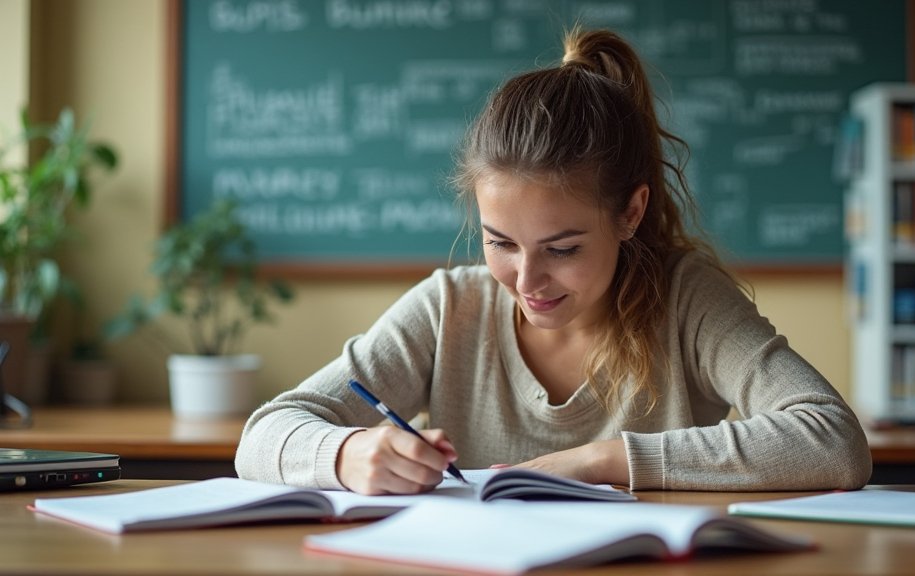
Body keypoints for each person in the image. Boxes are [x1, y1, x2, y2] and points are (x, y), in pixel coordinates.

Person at [235, 27, 872, 495]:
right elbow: (263, 434)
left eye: (562, 249)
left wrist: (603, 461)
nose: (527, 280)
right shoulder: (449, 307)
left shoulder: (687, 301)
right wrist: (347, 452)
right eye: (500, 243)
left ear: (630, 213)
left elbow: (832, 441)